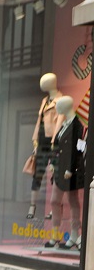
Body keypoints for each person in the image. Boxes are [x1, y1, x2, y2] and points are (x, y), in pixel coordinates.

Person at [47, 96, 84, 249]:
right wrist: (53, 163)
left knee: (73, 201)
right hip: (60, 169)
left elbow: (77, 151)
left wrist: (70, 169)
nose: (57, 107)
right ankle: (56, 234)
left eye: (59, 104)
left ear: (67, 106)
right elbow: (59, 148)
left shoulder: (77, 126)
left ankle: (75, 234)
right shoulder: (64, 124)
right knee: (55, 201)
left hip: (70, 171)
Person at [28, 73, 61, 220]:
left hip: (53, 141)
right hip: (42, 141)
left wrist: (55, 141)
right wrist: (35, 140)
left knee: (55, 175)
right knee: (38, 174)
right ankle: (32, 206)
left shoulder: (60, 100)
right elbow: (39, 121)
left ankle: (56, 208)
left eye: (45, 82)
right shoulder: (44, 100)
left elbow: (60, 122)